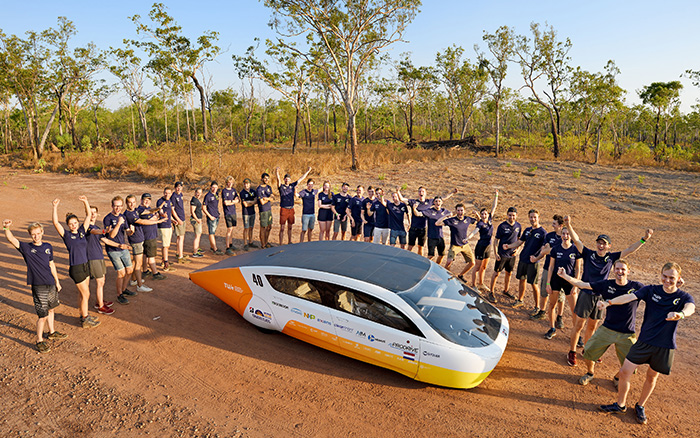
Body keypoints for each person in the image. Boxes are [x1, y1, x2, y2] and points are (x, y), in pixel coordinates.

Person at [598, 262, 694, 425]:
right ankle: (620, 405)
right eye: (665, 276)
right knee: (624, 372)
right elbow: (630, 297)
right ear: (661, 275)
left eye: (672, 278)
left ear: (678, 279)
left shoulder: (683, 296)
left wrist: (681, 314)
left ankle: (640, 405)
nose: (667, 280)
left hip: (664, 345)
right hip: (644, 341)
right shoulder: (651, 290)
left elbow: (691, 307)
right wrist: (609, 302)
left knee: (651, 376)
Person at [566, 215, 653, 366]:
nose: (601, 246)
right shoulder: (588, 253)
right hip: (587, 293)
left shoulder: (612, 258)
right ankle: (572, 351)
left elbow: (630, 250)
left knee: (593, 326)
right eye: (599, 243)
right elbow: (577, 240)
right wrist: (568, 225)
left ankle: (589, 350)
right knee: (579, 325)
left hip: (601, 297)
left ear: (609, 246)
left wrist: (644, 239)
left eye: (604, 244)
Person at [557, 260, 644, 387]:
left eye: (623, 269)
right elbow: (583, 284)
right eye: (618, 269)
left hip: (627, 332)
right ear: (613, 270)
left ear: (628, 271)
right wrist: (565, 276)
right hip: (607, 328)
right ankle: (590, 373)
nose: (620, 271)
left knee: (632, 364)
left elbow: (656, 292)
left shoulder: (637, 287)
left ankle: (617, 377)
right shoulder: (606, 285)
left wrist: (676, 286)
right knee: (588, 352)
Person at [3, 219, 66, 353]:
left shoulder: (48, 246)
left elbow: (52, 264)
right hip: (38, 286)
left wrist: (57, 281)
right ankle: (39, 340)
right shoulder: (26, 248)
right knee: (42, 316)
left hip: (50, 283)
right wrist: (6, 228)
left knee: (51, 309)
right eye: (33, 234)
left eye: (38, 233)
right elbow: (11, 239)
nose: (36, 236)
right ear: (30, 235)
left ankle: (52, 332)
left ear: (42, 232)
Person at [51, 196, 101, 329]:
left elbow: (88, 214)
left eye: (75, 223)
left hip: (85, 266)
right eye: (71, 224)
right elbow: (56, 223)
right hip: (76, 268)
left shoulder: (81, 232)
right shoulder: (67, 236)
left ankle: (83, 314)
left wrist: (85, 202)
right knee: (86, 294)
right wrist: (55, 207)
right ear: (68, 225)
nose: (73, 225)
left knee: (83, 293)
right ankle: (85, 319)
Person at [542, 227, 582, 340]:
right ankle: (552, 328)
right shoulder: (555, 249)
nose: (565, 236)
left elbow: (578, 269)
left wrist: (576, 285)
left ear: (571, 236)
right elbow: (551, 267)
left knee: (575, 309)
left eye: (568, 234)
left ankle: (577, 334)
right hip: (556, 279)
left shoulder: (576, 250)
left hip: (570, 281)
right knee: (552, 305)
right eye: (563, 234)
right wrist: (548, 283)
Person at [505, 209, 546, 312]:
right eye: (531, 217)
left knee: (533, 284)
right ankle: (520, 300)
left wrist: (537, 258)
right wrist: (508, 246)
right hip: (523, 259)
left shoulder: (543, 232)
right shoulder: (527, 230)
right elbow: (519, 242)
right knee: (521, 280)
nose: (533, 219)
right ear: (529, 218)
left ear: (538, 218)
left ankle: (537, 307)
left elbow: (545, 248)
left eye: (535, 217)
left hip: (533, 262)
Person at [529, 215, 565, 323]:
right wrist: (536, 258)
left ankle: (559, 317)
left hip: (560, 271)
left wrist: (549, 249)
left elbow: (563, 252)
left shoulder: (565, 237)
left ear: (560, 225)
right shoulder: (549, 236)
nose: (552, 225)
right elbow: (543, 251)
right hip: (547, 268)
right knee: (544, 290)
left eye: (554, 223)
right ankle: (542, 311)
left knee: (560, 295)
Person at [406, 187, 457, 256]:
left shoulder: (430, 201)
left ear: (425, 193)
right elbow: (416, 213)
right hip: (413, 228)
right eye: (420, 191)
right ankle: (405, 258)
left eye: (423, 191)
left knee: (421, 247)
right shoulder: (415, 202)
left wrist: (452, 193)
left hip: (423, 228)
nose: (421, 193)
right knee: (410, 246)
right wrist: (414, 209)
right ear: (418, 193)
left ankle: (419, 261)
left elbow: (443, 198)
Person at [104, 196, 135, 305]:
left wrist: (131, 231)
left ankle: (124, 289)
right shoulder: (107, 218)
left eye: (120, 206)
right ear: (112, 206)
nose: (118, 208)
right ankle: (119, 294)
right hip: (113, 250)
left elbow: (126, 232)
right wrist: (118, 223)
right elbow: (111, 235)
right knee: (121, 273)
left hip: (123, 247)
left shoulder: (123, 217)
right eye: (116, 206)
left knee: (130, 270)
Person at [85, 205, 115, 315]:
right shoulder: (87, 226)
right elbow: (94, 232)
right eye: (90, 212)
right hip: (92, 257)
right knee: (100, 282)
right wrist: (103, 230)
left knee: (102, 281)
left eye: (94, 212)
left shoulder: (96, 226)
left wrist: (120, 245)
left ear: (98, 214)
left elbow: (105, 240)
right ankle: (100, 306)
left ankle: (100, 300)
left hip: (99, 256)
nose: (93, 214)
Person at [489, 207, 521, 301]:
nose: (511, 217)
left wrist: (517, 250)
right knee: (496, 273)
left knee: (509, 273)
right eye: (510, 215)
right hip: (502, 254)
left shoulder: (518, 226)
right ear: (507, 215)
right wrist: (495, 253)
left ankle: (506, 291)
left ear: (516, 216)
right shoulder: (502, 226)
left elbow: (519, 240)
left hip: (512, 255)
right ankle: (491, 292)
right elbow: (496, 240)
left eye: (513, 215)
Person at [437, 203, 476, 279]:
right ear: (456, 211)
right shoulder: (452, 220)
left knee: (472, 263)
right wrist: (445, 216)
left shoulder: (467, 219)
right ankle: (446, 277)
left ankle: (461, 275)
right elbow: (437, 223)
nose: (460, 212)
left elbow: (478, 221)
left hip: (465, 245)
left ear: (464, 211)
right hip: (455, 246)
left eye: (461, 210)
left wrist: (477, 214)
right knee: (448, 263)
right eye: (458, 210)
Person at [124, 194, 153, 294]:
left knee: (135, 262)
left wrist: (158, 208)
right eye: (129, 202)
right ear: (126, 203)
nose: (132, 204)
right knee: (138, 264)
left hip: (139, 240)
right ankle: (140, 285)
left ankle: (133, 280)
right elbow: (143, 221)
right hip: (136, 241)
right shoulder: (129, 214)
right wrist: (159, 220)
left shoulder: (135, 211)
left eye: (133, 202)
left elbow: (148, 211)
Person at [470, 190, 498, 288]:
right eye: (482, 214)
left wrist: (496, 195)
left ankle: (481, 284)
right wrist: (468, 237)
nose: (484, 215)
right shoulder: (480, 223)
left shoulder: (489, 219)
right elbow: (475, 231)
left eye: (485, 214)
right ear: (481, 215)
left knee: (484, 267)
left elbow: (494, 206)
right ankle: (473, 285)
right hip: (480, 247)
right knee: (477, 267)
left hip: (488, 246)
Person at [136, 193, 167, 281]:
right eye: (145, 199)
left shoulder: (148, 209)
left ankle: (145, 271)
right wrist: (157, 217)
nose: (147, 201)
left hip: (148, 235)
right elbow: (153, 219)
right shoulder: (141, 209)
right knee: (151, 256)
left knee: (145, 254)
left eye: (148, 200)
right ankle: (155, 273)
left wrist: (158, 215)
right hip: (149, 236)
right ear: (141, 200)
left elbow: (154, 216)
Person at [277, 166, 312, 245]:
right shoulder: (281, 187)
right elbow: (278, 181)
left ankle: (289, 241)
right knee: (282, 228)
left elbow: (301, 179)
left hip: (291, 209)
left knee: (290, 227)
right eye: (286, 179)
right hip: (284, 209)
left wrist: (308, 171)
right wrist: (277, 173)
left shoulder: (292, 186)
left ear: (290, 180)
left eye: (288, 179)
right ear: (284, 179)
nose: (287, 180)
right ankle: (280, 243)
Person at [413, 197, 451, 263]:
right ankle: (425, 266)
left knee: (441, 255)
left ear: (442, 202)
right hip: (431, 237)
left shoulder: (444, 211)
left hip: (441, 237)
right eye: (436, 201)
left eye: (439, 201)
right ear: (433, 203)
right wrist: (414, 209)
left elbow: (452, 214)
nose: (437, 203)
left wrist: (455, 213)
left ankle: (437, 267)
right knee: (430, 256)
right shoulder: (429, 211)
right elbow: (418, 214)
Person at [156, 187, 176, 271]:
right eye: (166, 193)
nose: (167, 194)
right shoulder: (160, 201)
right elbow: (159, 211)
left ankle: (163, 260)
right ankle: (166, 264)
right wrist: (162, 215)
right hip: (163, 226)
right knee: (165, 245)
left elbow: (169, 214)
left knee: (166, 245)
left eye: (169, 193)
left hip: (168, 225)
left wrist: (173, 220)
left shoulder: (169, 201)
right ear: (163, 193)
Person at [203, 181, 224, 255]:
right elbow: (204, 207)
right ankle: (215, 249)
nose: (214, 189)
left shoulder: (217, 194)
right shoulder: (208, 196)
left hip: (216, 216)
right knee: (211, 233)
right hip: (211, 217)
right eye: (213, 187)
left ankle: (212, 247)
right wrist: (210, 216)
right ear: (210, 187)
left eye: (215, 187)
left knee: (213, 232)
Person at [222, 176, 240, 255]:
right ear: (226, 183)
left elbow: (238, 200)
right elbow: (226, 203)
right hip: (228, 213)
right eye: (228, 182)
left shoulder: (233, 190)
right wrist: (233, 201)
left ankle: (231, 244)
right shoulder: (224, 191)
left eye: (231, 183)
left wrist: (232, 202)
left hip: (233, 212)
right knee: (229, 230)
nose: (230, 184)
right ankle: (227, 248)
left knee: (232, 229)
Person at [171, 182, 188, 263]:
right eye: (177, 187)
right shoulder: (173, 196)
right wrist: (178, 219)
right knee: (181, 237)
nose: (179, 189)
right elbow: (172, 210)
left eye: (180, 187)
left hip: (182, 217)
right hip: (179, 219)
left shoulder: (180, 195)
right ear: (174, 188)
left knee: (180, 237)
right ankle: (180, 257)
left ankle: (178, 253)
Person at [256, 173, 275, 248]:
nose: (266, 180)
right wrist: (269, 199)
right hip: (263, 210)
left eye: (268, 178)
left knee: (269, 227)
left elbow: (273, 198)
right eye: (265, 178)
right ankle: (263, 244)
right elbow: (262, 202)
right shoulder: (259, 189)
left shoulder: (269, 187)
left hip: (269, 210)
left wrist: (266, 198)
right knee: (263, 227)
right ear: (261, 179)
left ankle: (266, 242)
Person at [239, 179, 258, 249]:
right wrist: (252, 202)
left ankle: (250, 241)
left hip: (252, 212)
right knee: (246, 228)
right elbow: (245, 204)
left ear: (250, 184)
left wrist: (250, 202)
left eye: (247, 183)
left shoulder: (253, 191)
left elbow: (256, 201)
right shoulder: (242, 193)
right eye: (244, 184)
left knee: (251, 228)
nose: (246, 185)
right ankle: (245, 243)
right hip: (246, 213)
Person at [189, 188, 204, 257]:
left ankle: (197, 248)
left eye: (200, 193)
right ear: (195, 192)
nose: (199, 194)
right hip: (196, 220)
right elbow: (192, 212)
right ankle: (195, 252)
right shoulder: (194, 200)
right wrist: (197, 219)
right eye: (197, 193)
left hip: (198, 219)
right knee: (197, 236)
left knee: (198, 235)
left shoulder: (196, 200)